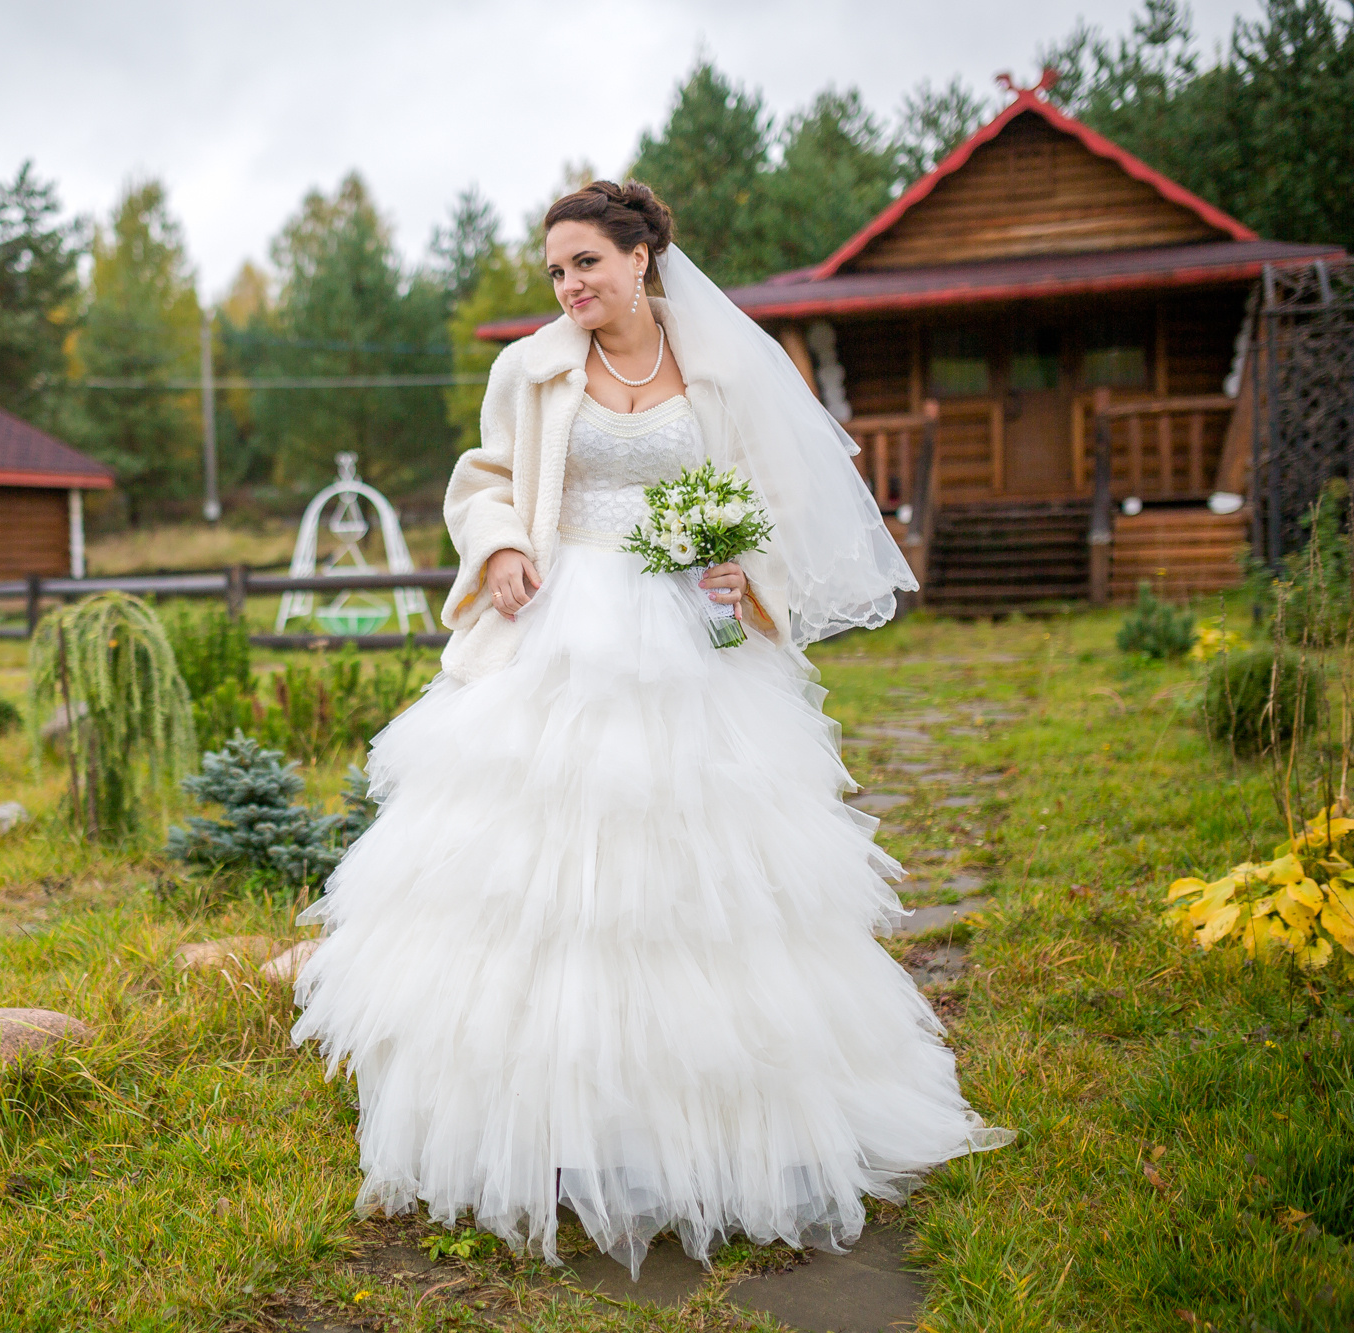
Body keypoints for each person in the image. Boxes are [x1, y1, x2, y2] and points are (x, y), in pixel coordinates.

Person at [291, 181, 1013, 1277]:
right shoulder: (530, 368)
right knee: (544, 875)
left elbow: (775, 496)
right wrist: (499, 546)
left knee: (693, 879)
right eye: (555, 270)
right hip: (559, 626)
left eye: (585, 262)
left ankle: (711, 1125)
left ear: (641, 257)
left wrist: (741, 571)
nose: (568, 285)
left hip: (691, 637)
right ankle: (547, 1127)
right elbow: (483, 480)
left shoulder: (721, 367)